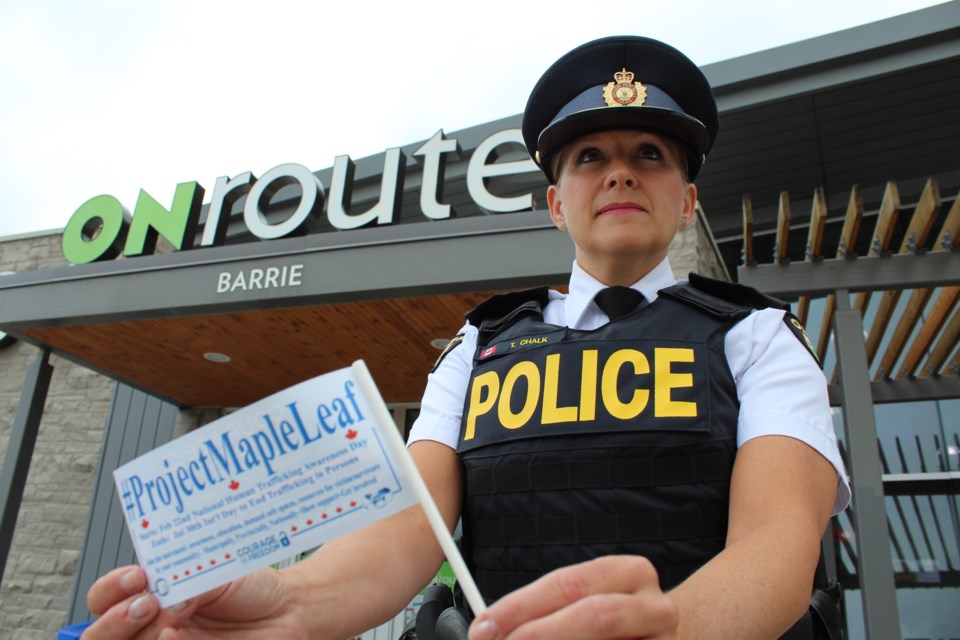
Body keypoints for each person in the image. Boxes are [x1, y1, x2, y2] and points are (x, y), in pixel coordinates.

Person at [84, 36, 850, 640]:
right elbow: (409, 526)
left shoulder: (755, 337)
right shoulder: (480, 344)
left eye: (649, 154)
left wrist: (672, 629)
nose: (620, 174)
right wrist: (291, 603)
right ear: (555, 203)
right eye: (591, 157)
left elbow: (780, 543)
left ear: (686, 203)